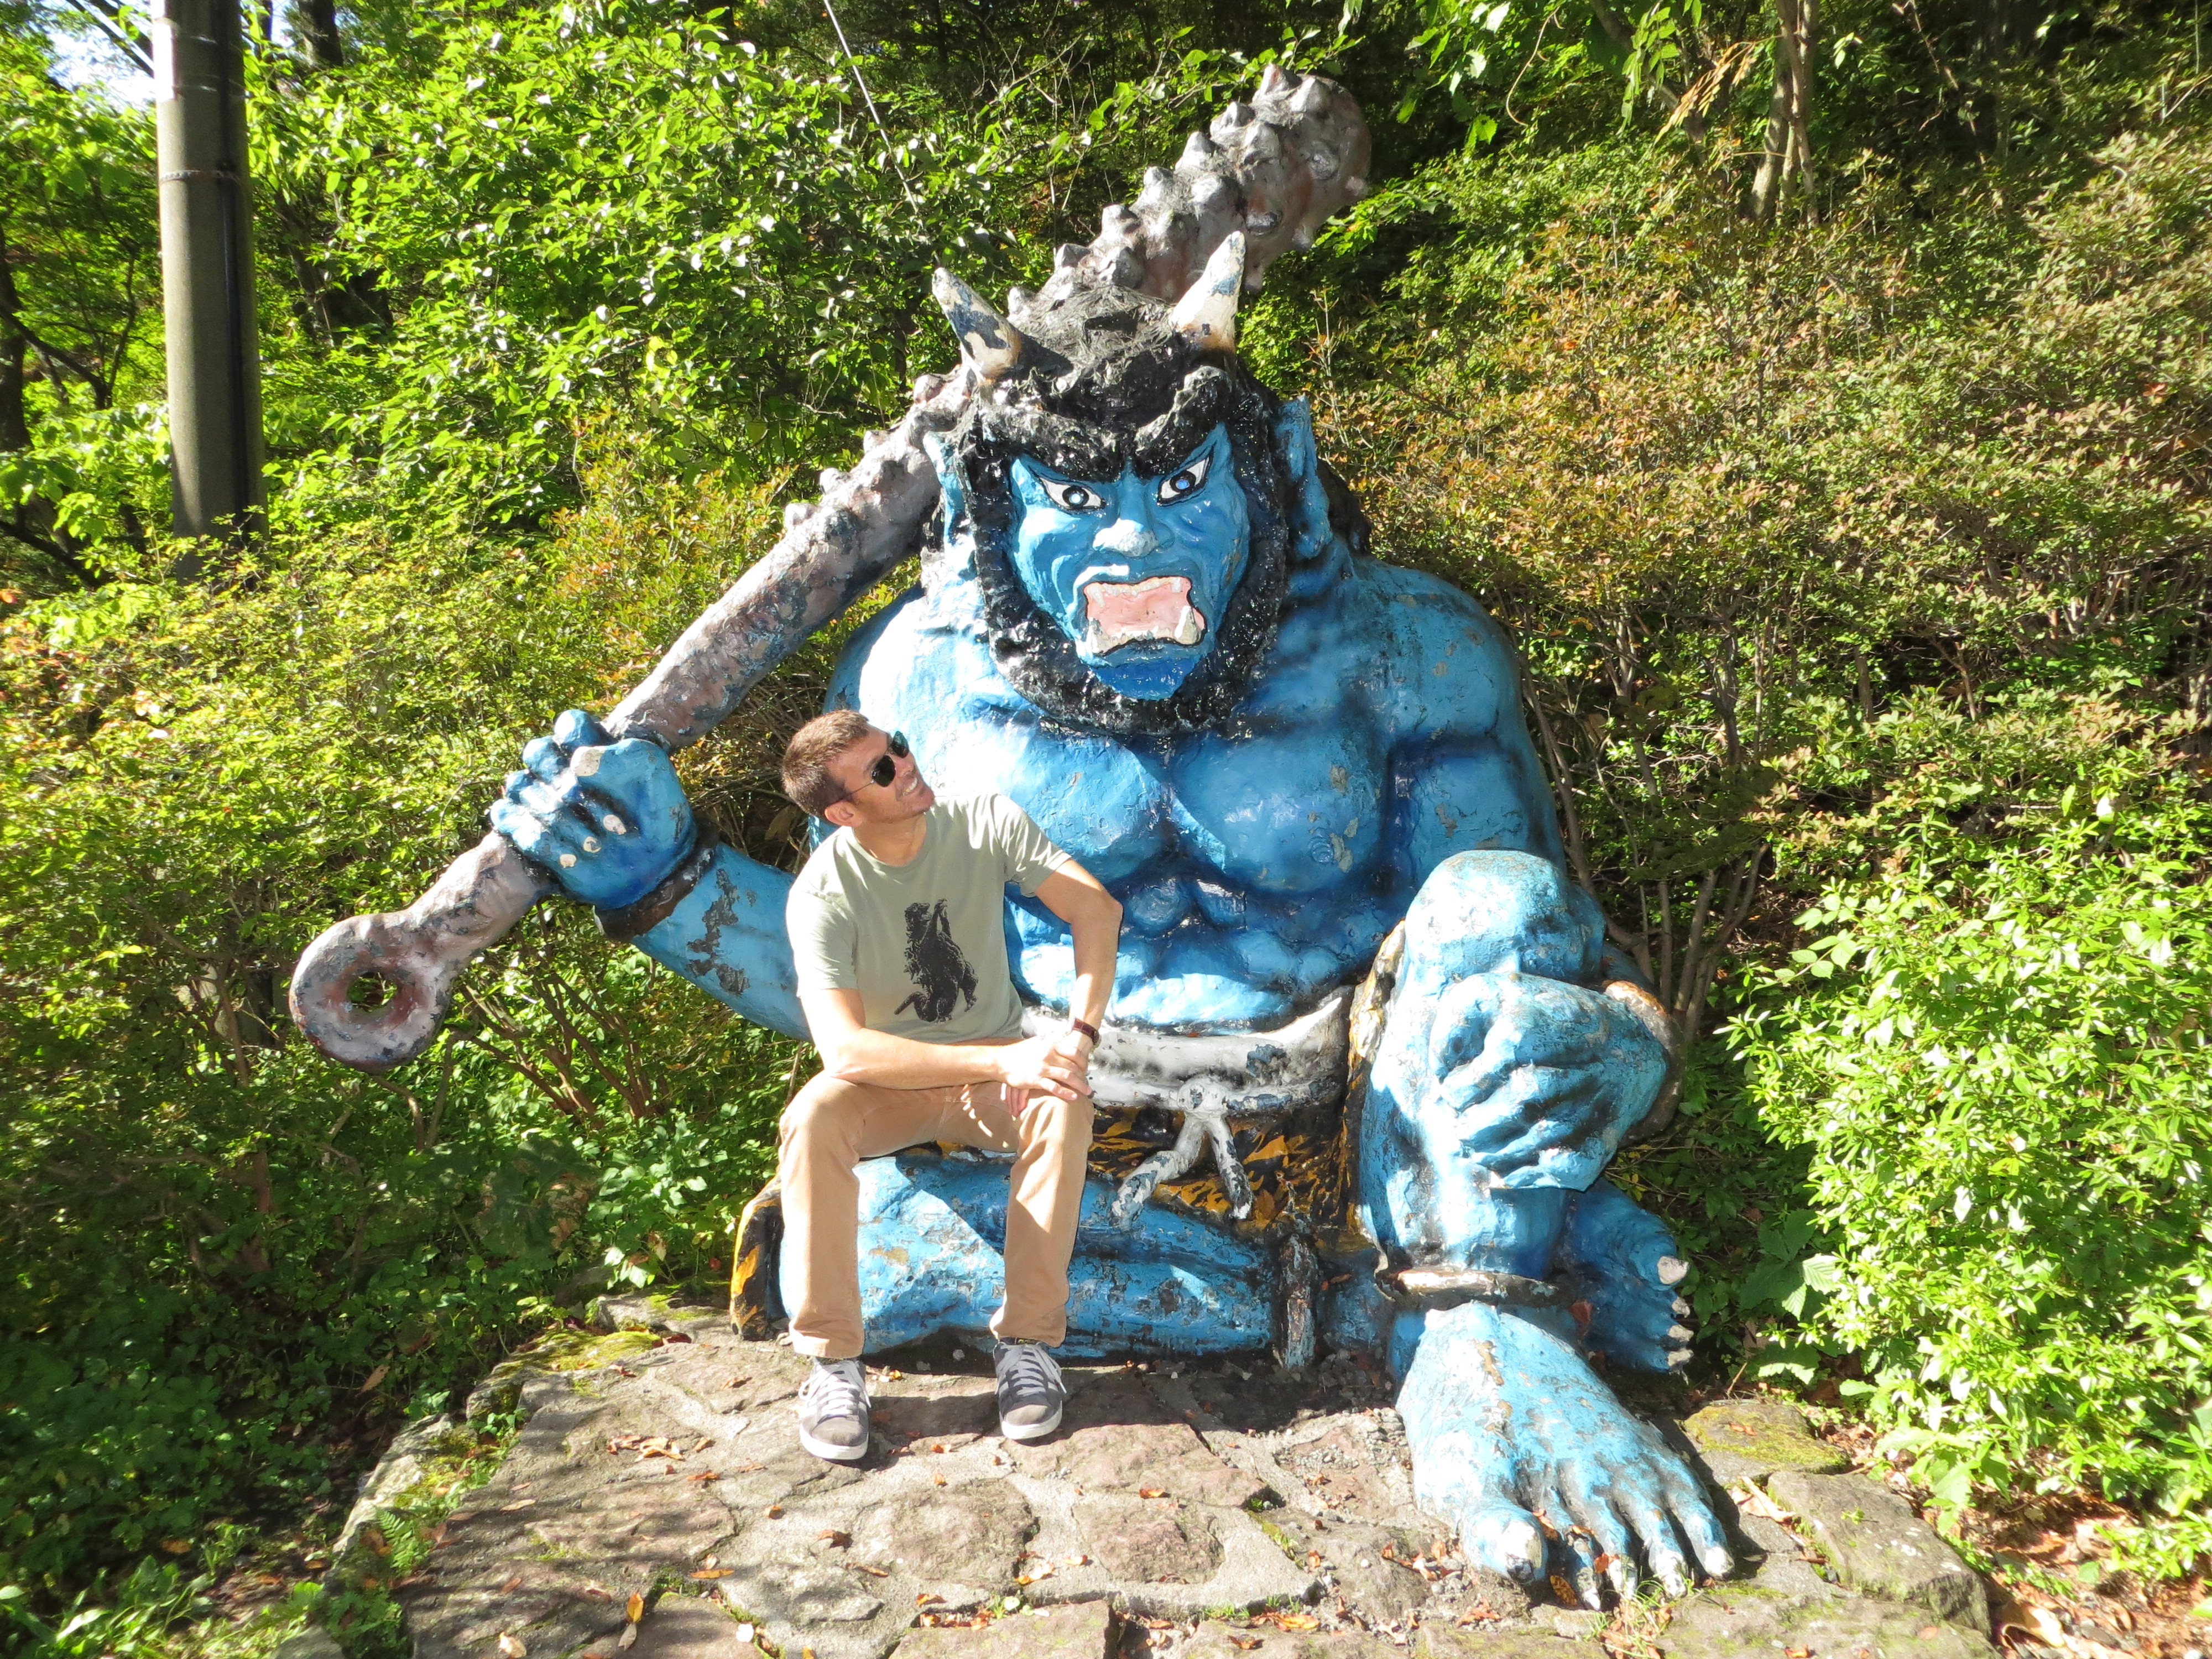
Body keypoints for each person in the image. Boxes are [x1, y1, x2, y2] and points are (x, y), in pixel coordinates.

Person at [775, 709, 1123, 1462]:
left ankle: (1027, 1346)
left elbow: (1096, 908)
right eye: (881, 771)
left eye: (897, 748)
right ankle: (832, 1362)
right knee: (813, 1117)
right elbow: (845, 1049)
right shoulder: (822, 893)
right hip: (891, 1076)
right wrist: (1003, 1064)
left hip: (994, 1061)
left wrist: (1078, 1036)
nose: (905, 766)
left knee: (1064, 1104)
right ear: (843, 813)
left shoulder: (984, 820)